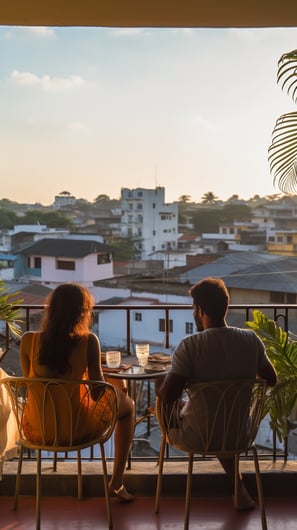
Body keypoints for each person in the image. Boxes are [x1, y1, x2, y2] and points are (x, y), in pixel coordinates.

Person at [156, 277, 277, 511]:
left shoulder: (190, 345)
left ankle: (158, 496)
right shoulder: (251, 340)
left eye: (193, 308)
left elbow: (168, 396)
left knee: (162, 400)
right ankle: (239, 489)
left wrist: (159, 379)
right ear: (226, 307)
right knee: (220, 412)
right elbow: (271, 379)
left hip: (199, 436)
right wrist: (237, 382)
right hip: (239, 433)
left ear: (199, 310)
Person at [20, 282, 135, 502]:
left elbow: (31, 386)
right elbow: (96, 393)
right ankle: (116, 482)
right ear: (82, 312)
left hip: (39, 428)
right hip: (76, 428)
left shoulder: (28, 341)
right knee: (128, 407)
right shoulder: (89, 341)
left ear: (51, 309)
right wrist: (114, 380)